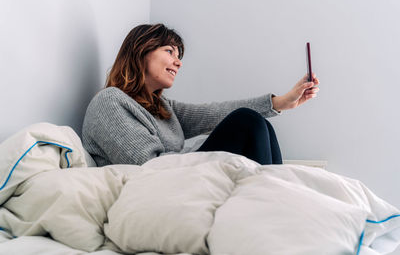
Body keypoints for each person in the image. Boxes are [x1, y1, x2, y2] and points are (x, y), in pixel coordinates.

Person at [81, 23, 319, 167]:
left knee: (260, 125)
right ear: (141, 52)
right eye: (170, 51)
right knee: (247, 121)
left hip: (175, 176)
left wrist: (282, 102)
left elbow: (214, 113)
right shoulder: (110, 101)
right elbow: (147, 166)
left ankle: (276, 201)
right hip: (159, 186)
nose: (178, 62)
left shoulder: (162, 106)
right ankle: (269, 206)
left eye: (179, 56)